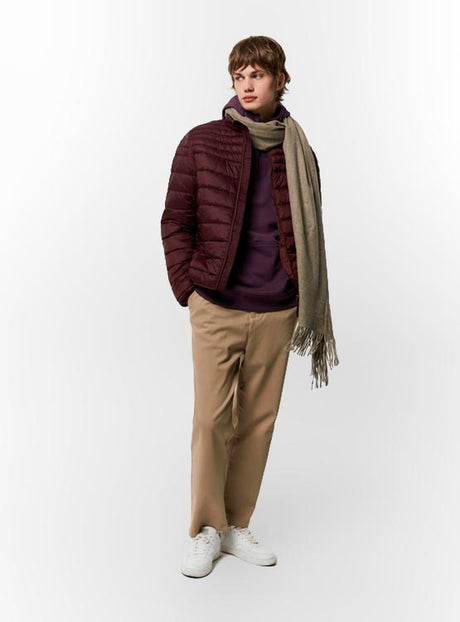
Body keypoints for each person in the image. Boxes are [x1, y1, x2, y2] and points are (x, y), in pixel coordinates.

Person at [161, 35, 339, 578]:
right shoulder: (201, 142)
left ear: (280, 80)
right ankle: (206, 529)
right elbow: (176, 220)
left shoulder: (298, 150)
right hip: (217, 305)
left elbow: (309, 229)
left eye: (257, 74)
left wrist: (296, 291)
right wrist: (188, 289)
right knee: (211, 421)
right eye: (238, 75)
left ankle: (236, 524)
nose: (246, 84)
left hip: (278, 307)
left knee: (258, 422)